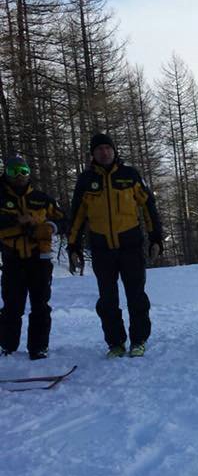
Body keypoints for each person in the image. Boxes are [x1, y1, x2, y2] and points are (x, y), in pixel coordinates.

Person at [67, 134, 164, 358]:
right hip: (102, 250)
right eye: (99, 149)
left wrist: (155, 238)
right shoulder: (86, 180)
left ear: (114, 151)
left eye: (107, 148)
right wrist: (73, 247)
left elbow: (148, 206)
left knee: (136, 297)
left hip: (130, 246)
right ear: (93, 154)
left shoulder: (129, 175)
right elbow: (77, 217)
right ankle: (116, 343)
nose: (104, 152)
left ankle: (138, 340)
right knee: (108, 301)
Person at [0, 156, 65, 360]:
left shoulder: (41, 198)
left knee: (40, 305)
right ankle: (7, 347)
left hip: (40, 259)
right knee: (12, 305)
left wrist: (48, 227)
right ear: (6, 174)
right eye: (14, 172)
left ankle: (38, 347)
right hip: (13, 259)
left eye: (23, 171)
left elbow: (64, 219)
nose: (19, 176)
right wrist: (16, 221)